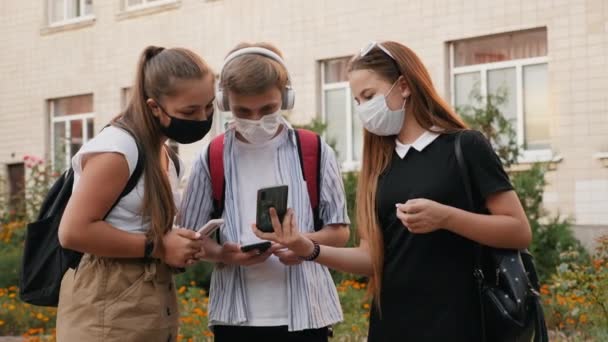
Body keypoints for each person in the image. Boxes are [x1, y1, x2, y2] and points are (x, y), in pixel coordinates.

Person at [253, 41, 532, 342]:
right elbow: (370, 258)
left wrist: (447, 218)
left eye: (369, 95)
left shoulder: (465, 146)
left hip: (460, 322)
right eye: (357, 101)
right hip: (393, 324)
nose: (363, 109)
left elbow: (518, 231)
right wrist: (307, 247)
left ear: (404, 86)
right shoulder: (379, 164)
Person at [177, 42, 350, 342]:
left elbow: (339, 232)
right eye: (244, 110)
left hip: (307, 315)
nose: (256, 119)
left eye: (267, 109)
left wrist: (302, 245)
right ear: (224, 102)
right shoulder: (212, 157)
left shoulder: (314, 150)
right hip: (235, 319)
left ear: (286, 97)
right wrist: (223, 254)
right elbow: (187, 238)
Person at [56, 46, 216, 341]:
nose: (202, 118)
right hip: (106, 311)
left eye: (208, 106)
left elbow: (143, 230)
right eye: (189, 111)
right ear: (155, 107)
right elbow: (73, 232)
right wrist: (159, 247)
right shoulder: (118, 149)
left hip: (147, 309)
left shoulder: (166, 155)